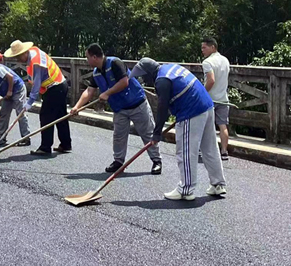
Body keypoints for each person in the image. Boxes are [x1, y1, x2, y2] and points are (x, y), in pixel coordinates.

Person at [129, 58, 227, 200]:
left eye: (143, 76)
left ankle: (186, 189)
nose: (143, 81)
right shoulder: (170, 67)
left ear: (149, 73)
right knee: (210, 148)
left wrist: (156, 134)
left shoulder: (161, 80)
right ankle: (218, 184)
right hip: (206, 105)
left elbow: (162, 108)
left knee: (186, 151)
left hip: (191, 111)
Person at [71, 44, 162, 175]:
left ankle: (156, 161)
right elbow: (89, 91)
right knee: (118, 136)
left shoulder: (115, 63)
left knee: (147, 133)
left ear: (95, 57)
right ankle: (118, 162)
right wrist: (77, 107)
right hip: (119, 108)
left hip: (136, 103)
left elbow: (124, 82)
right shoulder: (96, 73)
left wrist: (107, 93)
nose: (87, 60)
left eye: (87, 57)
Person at [4, 40, 70, 155]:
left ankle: (45, 147)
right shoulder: (34, 51)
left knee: (46, 117)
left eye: (18, 57)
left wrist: (29, 102)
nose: (18, 60)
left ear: (24, 53)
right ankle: (65, 144)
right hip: (60, 84)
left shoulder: (36, 62)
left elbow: (37, 84)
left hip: (54, 87)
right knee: (60, 116)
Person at [201, 37, 231, 160]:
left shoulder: (207, 62)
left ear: (213, 47)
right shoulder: (225, 60)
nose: (202, 50)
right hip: (223, 98)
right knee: (223, 125)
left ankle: (205, 150)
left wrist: (202, 92)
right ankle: (224, 151)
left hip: (210, 99)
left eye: (204, 47)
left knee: (205, 126)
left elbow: (211, 80)